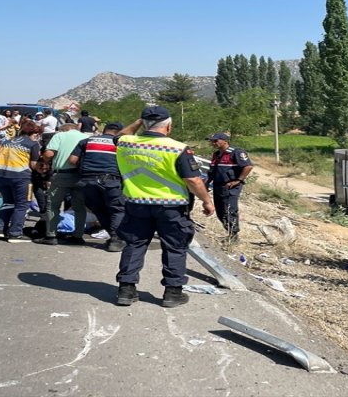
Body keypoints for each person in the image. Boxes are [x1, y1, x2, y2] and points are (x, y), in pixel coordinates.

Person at [114, 106, 214, 308]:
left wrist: (140, 121)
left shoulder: (127, 143)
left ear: (143, 123)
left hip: (136, 204)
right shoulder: (177, 148)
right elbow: (193, 180)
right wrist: (207, 200)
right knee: (175, 247)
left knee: (134, 245)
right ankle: (172, 293)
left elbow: (121, 134)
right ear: (168, 126)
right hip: (171, 207)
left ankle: (126, 289)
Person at [72, 122, 126, 252]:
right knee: (117, 210)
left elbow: (72, 161)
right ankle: (115, 238)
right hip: (110, 181)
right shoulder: (120, 144)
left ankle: (114, 237)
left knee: (99, 209)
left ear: (105, 130)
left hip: (87, 181)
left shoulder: (86, 141)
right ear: (119, 132)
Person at [35, 123, 91, 246]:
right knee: (79, 208)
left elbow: (49, 154)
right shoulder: (86, 137)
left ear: (64, 129)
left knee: (53, 205)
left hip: (62, 174)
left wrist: (42, 161)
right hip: (80, 176)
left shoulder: (60, 135)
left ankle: (51, 235)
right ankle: (78, 236)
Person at [0, 120, 43, 242]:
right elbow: (33, 165)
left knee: (7, 203)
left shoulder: (8, 140)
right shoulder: (32, 144)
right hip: (20, 176)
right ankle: (15, 233)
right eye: (37, 134)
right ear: (34, 133)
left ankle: (0, 230)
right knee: (22, 204)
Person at [206, 132, 253, 242]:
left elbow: (248, 166)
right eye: (212, 141)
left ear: (225, 141)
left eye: (216, 141)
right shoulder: (216, 154)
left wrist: (238, 180)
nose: (213, 143)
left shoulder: (236, 152)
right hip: (218, 186)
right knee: (220, 211)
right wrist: (207, 182)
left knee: (230, 209)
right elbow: (212, 171)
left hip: (231, 186)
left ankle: (234, 235)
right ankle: (229, 232)